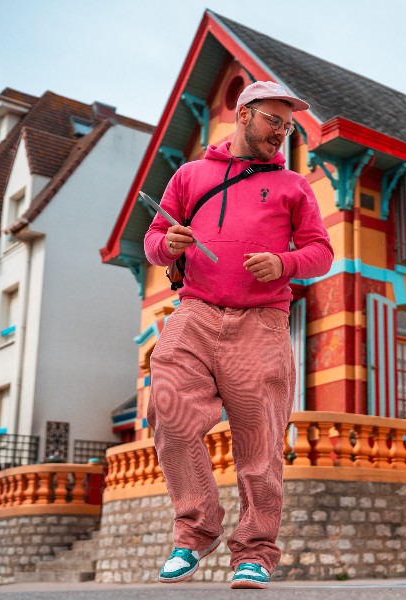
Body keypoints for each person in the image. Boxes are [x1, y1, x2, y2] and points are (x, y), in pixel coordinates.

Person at [144, 80, 333, 589]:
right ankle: (197, 529)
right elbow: (153, 242)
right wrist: (171, 244)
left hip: (262, 321)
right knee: (166, 407)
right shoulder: (189, 175)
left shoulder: (293, 186)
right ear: (244, 114)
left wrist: (284, 262)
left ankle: (254, 551)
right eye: (275, 120)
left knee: (259, 443)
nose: (282, 132)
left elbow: (321, 251)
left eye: (289, 125)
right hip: (196, 311)